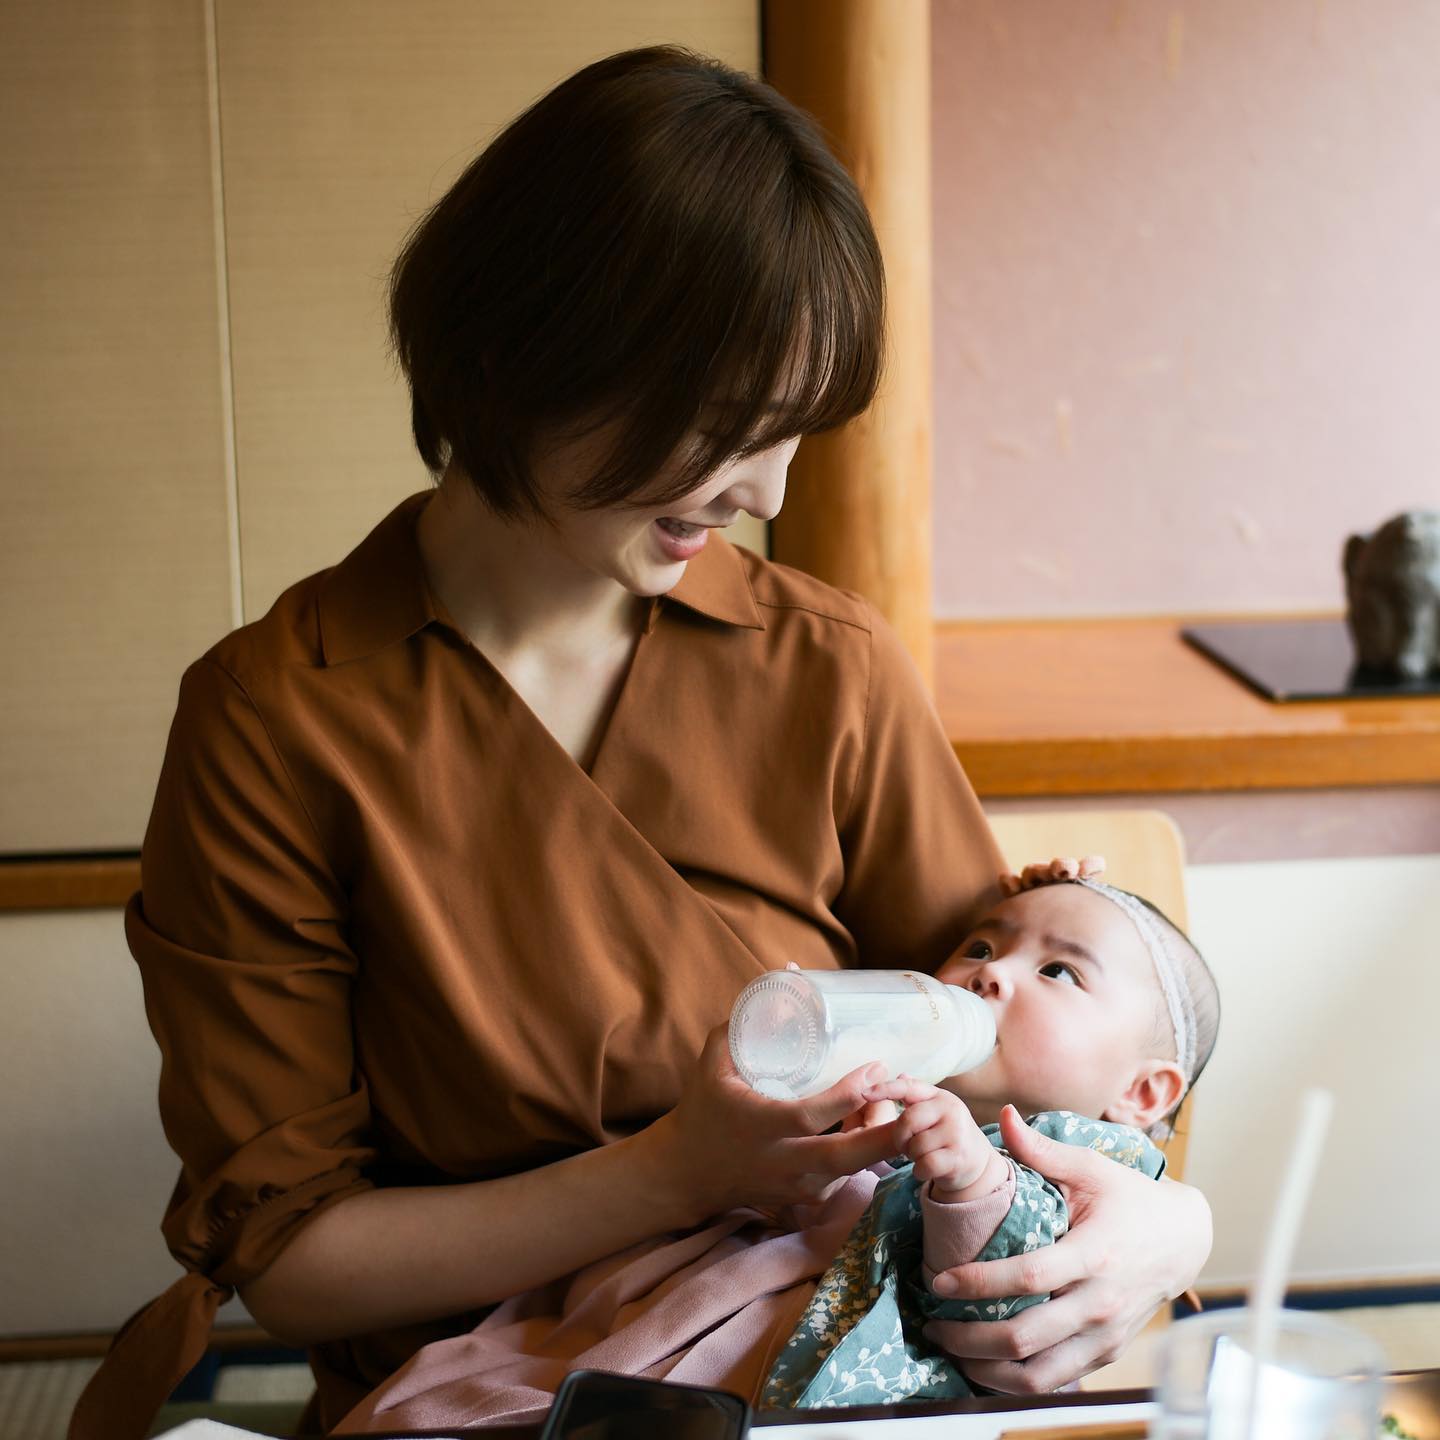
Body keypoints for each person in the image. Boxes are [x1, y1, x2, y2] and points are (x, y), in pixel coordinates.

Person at [69, 47, 1212, 1440]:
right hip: (483, 1408)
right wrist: (675, 1173)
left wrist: (1170, 1227)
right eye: (724, 427)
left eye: (792, 434)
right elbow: (297, 1266)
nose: (765, 490)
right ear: (527, 353)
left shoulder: (824, 665)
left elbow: (1025, 1059)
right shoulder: (280, 719)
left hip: (834, 1395)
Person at [763, 870, 1221, 1407]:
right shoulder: (886, 1098)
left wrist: (972, 1182)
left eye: (1060, 971)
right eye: (980, 947)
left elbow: (1012, 1295)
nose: (991, 972)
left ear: (1141, 1093)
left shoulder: (1090, 1169)